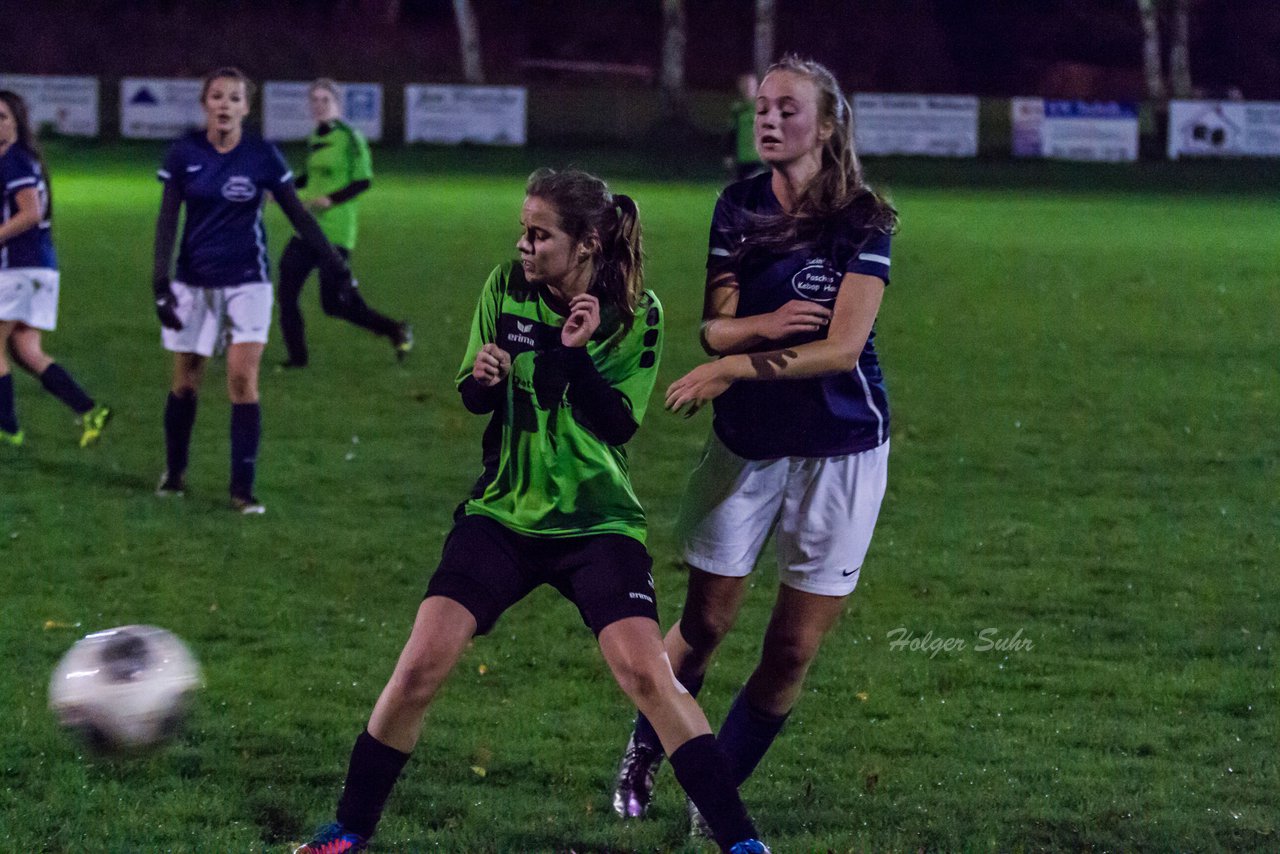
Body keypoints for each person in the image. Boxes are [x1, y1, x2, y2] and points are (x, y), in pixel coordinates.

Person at [295, 168, 769, 854]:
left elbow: (614, 425)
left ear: (586, 244)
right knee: (421, 663)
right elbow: (474, 394)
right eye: (523, 230)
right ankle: (348, 831)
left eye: (539, 235)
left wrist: (571, 353)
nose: (523, 244)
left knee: (646, 675)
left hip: (596, 521)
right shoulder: (505, 287)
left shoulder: (638, 311)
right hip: (504, 514)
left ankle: (743, 845)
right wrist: (484, 379)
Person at [612, 54, 899, 831]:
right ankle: (645, 746)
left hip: (841, 451)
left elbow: (841, 349)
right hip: (747, 446)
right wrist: (758, 332)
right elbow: (713, 323)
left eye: (787, 109)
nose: (768, 120)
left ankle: (718, 798)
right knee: (703, 625)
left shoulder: (864, 219)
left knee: (792, 650)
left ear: (829, 124)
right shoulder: (738, 205)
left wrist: (732, 363)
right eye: (762, 108)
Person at [151, 67, 355, 513]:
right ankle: (175, 470)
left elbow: (298, 216)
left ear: (246, 107)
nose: (225, 104)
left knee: (243, 379)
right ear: (205, 103)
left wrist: (333, 262)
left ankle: (242, 490)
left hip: (248, 281)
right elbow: (168, 220)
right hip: (194, 281)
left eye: (234, 98)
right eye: (217, 96)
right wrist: (160, 282)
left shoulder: (262, 154)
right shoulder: (184, 152)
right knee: (186, 380)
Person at [0, 90, 111, 448]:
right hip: (39, 268)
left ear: (17, 122)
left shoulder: (12, 161)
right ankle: (89, 408)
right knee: (25, 350)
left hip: (20, 267)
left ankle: (7, 428)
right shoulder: (22, 159)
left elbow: (30, 213)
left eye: (2, 117)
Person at [276, 78, 411, 369]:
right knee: (286, 293)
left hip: (335, 232)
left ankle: (395, 329)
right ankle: (297, 360)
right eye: (315, 100)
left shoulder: (351, 137)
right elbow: (307, 178)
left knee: (335, 304)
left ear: (337, 104)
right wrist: (280, 191)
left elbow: (364, 180)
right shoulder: (316, 137)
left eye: (326, 100)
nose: (319, 106)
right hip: (306, 229)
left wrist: (332, 199)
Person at [725, 73, 764, 182]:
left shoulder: (762, 108)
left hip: (757, 159)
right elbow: (731, 133)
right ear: (740, 87)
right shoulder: (737, 109)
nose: (748, 89)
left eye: (750, 86)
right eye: (745, 86)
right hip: (741, 158)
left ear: (756, 87)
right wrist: (728, 154)